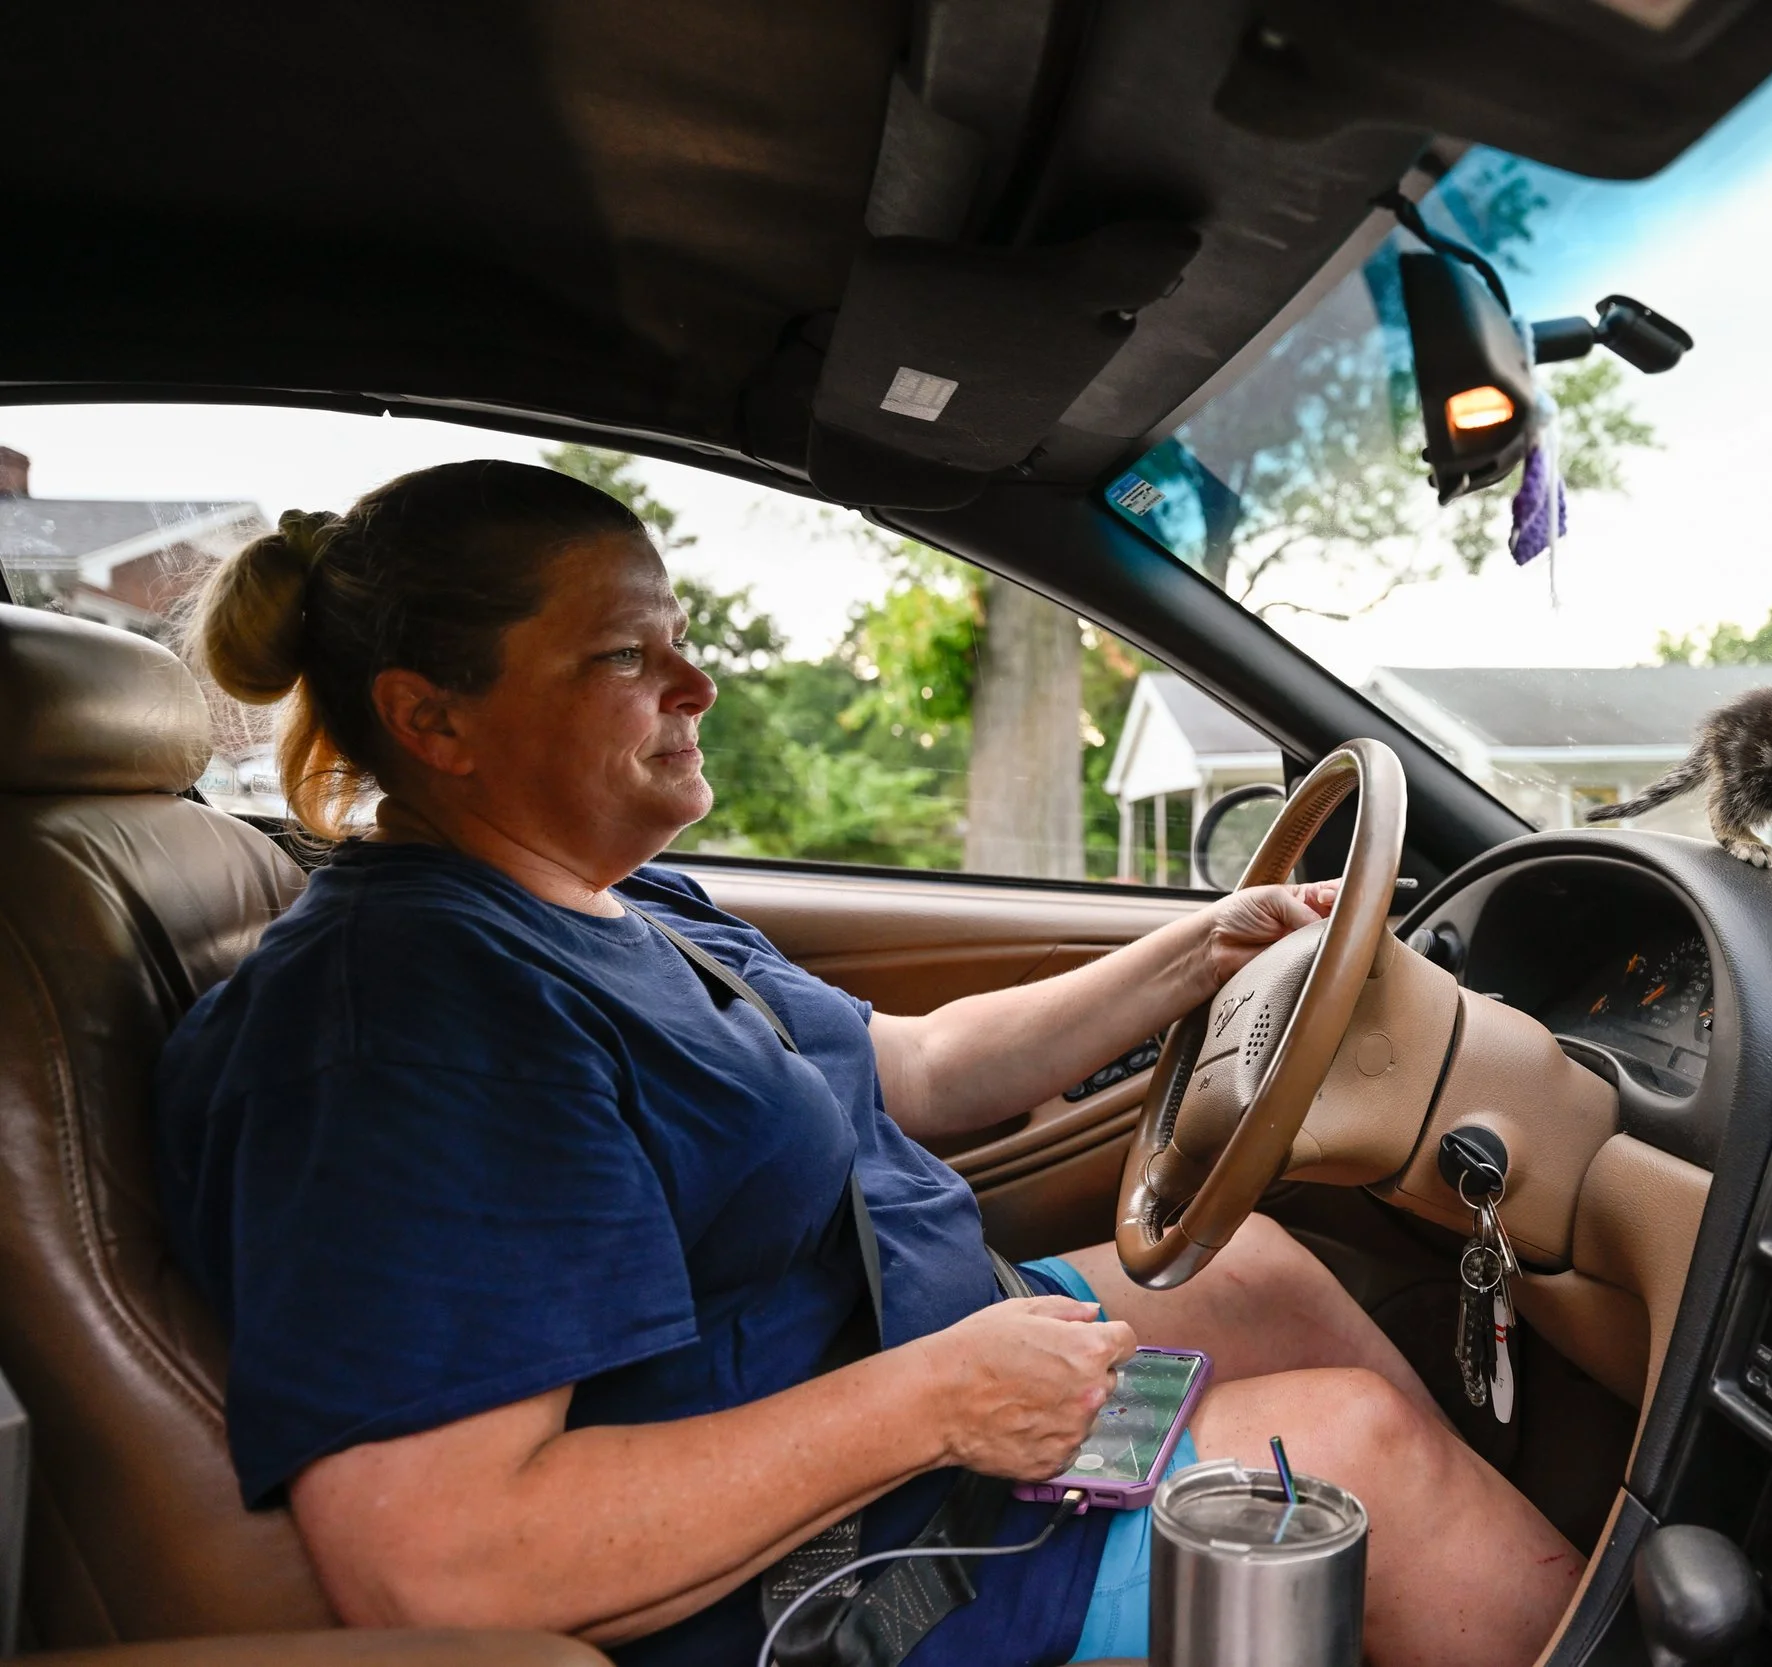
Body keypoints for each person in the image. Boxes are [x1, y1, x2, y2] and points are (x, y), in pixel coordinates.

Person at [156, 460, 1582, 1667]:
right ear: (434, 718)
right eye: (625, 657)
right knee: (1348, 1454)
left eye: (679, 636)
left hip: (896, 1379)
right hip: (820, 1579)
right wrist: (942, 1400)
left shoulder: (615, 899)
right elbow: (444, 1568)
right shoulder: (409, 1030)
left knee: (1259, 1269)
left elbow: (909, 1065)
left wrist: (1200, 948)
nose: (698, 683)